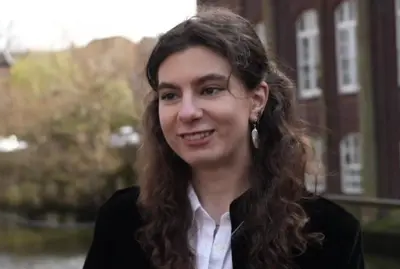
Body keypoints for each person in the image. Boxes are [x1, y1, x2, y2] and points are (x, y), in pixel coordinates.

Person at [83, 6, 365, 269]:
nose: (187, 112)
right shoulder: (122, 222)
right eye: (170, 95)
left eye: (210, 90)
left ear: (257, 100)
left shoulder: (331, 236)